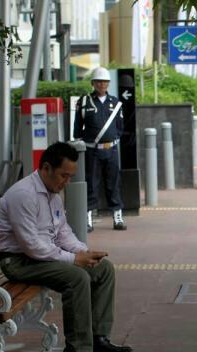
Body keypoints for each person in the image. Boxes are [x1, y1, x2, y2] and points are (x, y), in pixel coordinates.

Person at [0, 142, 133, 352]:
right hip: (18, 261)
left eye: (70, 177)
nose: (66, 182)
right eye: (63, 176)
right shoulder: (23, 194)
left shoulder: (53, 195)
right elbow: (31, 246)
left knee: (103, 269)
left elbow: (62, 232)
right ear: (46, 168)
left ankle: (98, 337)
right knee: (77, 277)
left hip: (39, 256)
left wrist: (83, 253)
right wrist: (73, 260)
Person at [73, 67, 126, 232]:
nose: (101, 84)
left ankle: (117, 217)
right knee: (91, 184)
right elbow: (77, 129)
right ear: (93, 83)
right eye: (98, 81)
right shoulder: (84, 102)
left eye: (104, 81)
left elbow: (120, 127)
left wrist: (112, 139)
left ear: (108, 83)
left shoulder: (116, 103)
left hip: (111, 150)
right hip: (92, 151)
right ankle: (88, 218)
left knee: (113, 184)